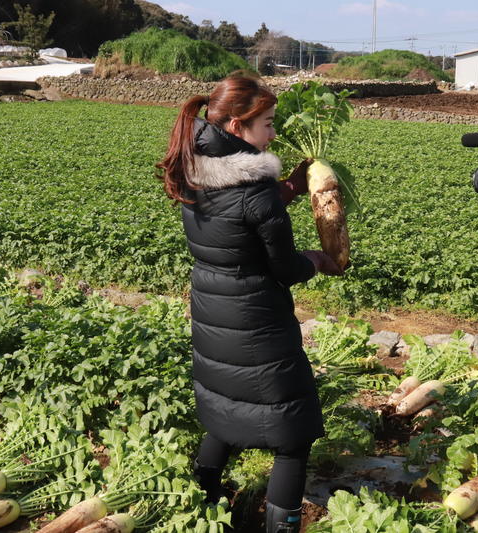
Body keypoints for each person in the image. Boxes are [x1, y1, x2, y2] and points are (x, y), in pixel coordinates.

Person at [155, 72, 342, 533]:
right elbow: (283, 267)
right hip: (257, 321)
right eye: (268, 124)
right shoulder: (257, 193)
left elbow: (232, 216)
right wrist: (319, 260)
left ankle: (203, 498)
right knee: (292, 435)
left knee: (224, 409)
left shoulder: (193, 168)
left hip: (214, 311)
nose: (275, 134)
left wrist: (289, 191)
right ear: (237, 128)